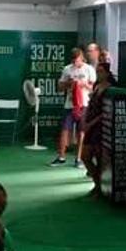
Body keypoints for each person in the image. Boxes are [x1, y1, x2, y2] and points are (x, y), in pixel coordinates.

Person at [49, 48, 95, 168]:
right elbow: (59, 87)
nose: (76, 63)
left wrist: (83, 84)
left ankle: (78, 159)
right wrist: (69, 84)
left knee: (81, 131)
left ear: (82, 58)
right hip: (69, 104)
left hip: (84, 104)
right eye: (73, 60)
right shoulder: (67, 69)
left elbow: (94, 88)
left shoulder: (89, 69)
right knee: (64, 130)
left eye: (78, 60)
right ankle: (61, 157)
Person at [80, 62, 115, 198]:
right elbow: (89, 105)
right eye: (97, 71)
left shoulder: (110, 88)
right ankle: (97, 183)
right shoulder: (96, 86)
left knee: (100, 158)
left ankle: (99, 187)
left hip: (100, 127)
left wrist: (91, 123)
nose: (99, 74)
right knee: (85, 156)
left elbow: (105, 111)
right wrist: (85, 120)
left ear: (107, 73)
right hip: (90, 124)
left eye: (101, 71)